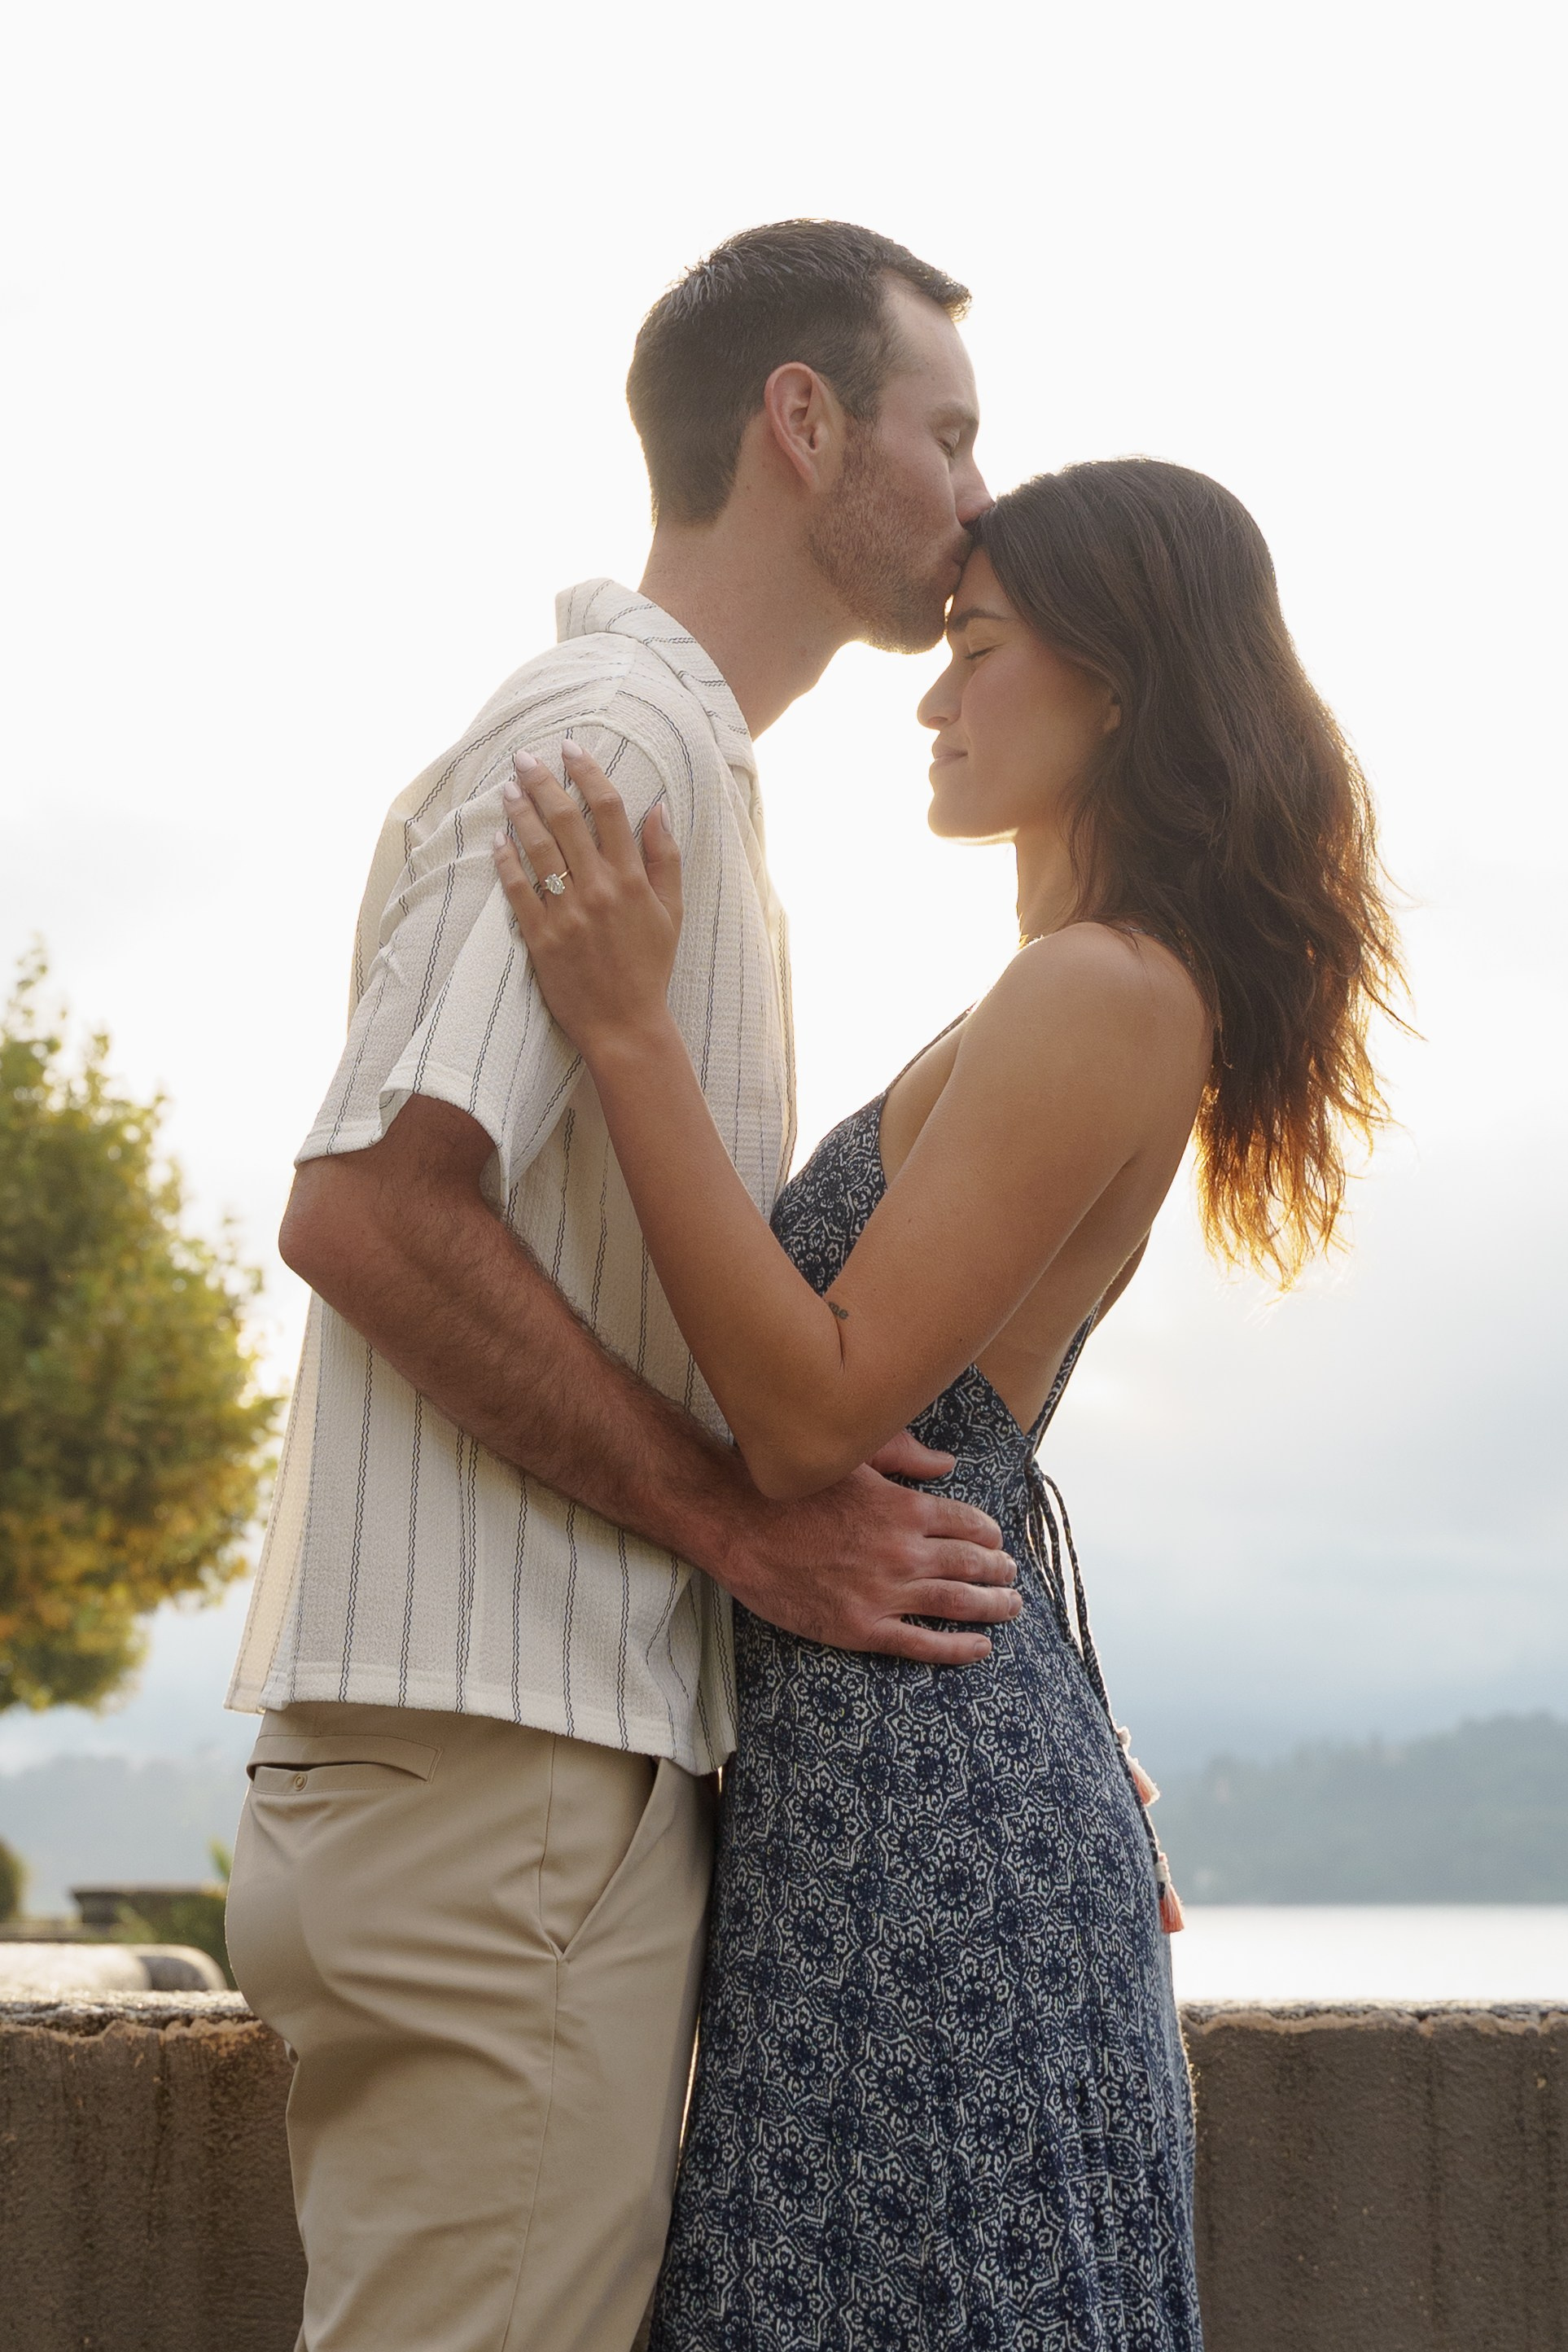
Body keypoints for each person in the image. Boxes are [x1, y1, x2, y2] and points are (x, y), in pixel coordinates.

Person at [492, 455, 1407, 2349]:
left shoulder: (1105, 988)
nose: (931, 693)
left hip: (922, 1830)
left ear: (1119, 685)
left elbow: (814, 1415)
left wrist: (628, 1027)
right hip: (889, 1790)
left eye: (977, 650)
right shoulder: (1058, 988)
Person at [222, 221, 1023, 2352]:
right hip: (503, 1798)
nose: (976, 498)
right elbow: (369, 1210)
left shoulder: (677, 773)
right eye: (947, 434)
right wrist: (732, 1520)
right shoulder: (612, 742)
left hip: (496, 1799)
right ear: (799, 424)